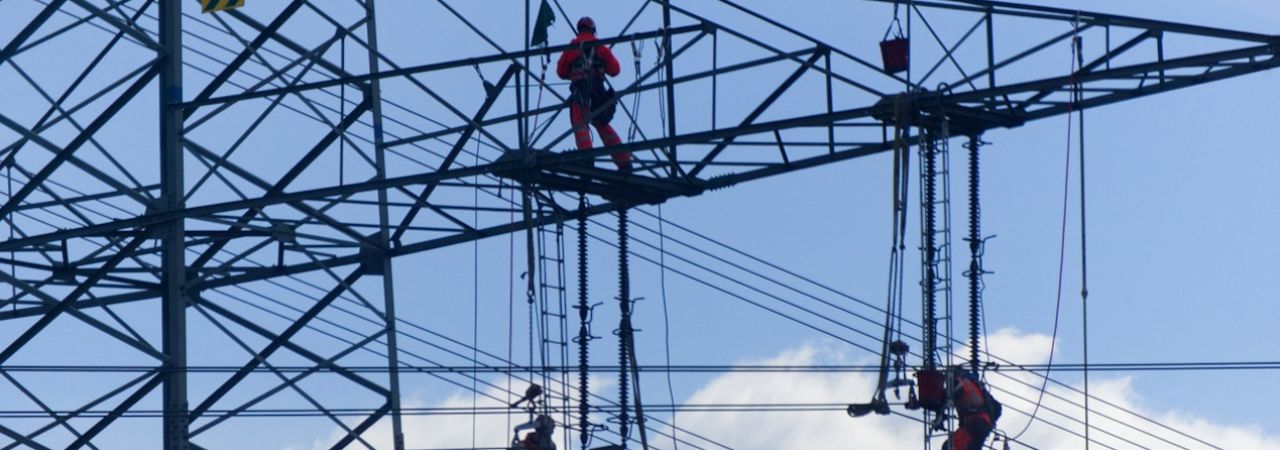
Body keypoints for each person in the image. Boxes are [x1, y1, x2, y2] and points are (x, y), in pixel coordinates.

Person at [556, 16, 632, 170]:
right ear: (593, 30)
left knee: (580, 124)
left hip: (581, 93)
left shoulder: (572, 46)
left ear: (579, 30)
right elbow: (615, 70)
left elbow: (561, 71)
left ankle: (586, 157)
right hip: (599, 93)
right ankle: (624, 161)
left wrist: (574, 70)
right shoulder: (601, 48)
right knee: (603, 125)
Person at [942, 367, 996, 450]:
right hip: (980, 423)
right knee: (957, 445)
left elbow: (946, 398)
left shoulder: (958, 382)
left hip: (975, 423)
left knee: (950, 446)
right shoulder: (974, 383)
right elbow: (997, 407)